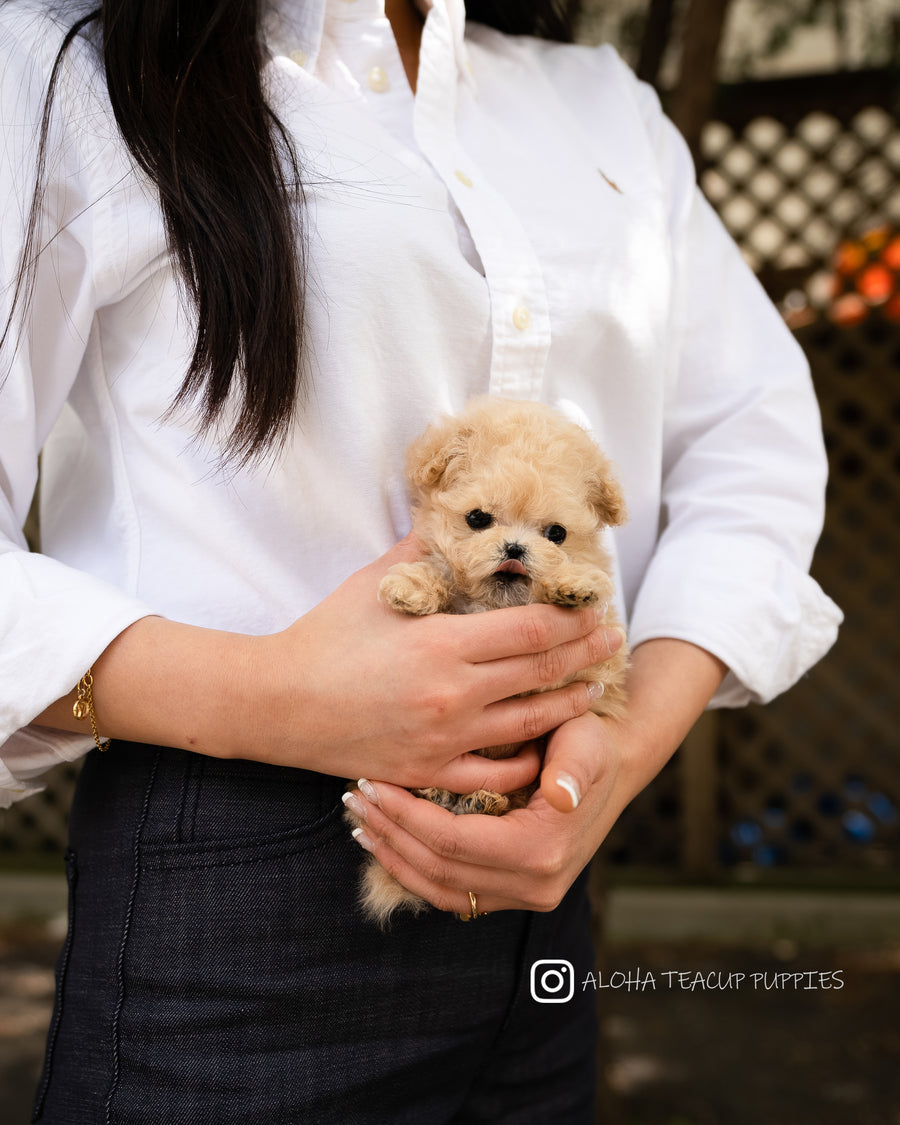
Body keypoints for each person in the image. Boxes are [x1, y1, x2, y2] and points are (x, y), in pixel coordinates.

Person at [0, 0, 841, 1120]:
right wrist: (269, 697)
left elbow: (756, 447)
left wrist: (609, 762)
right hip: (239, 895)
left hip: (546, 886)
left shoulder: (595, 104)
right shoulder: (66, 64)